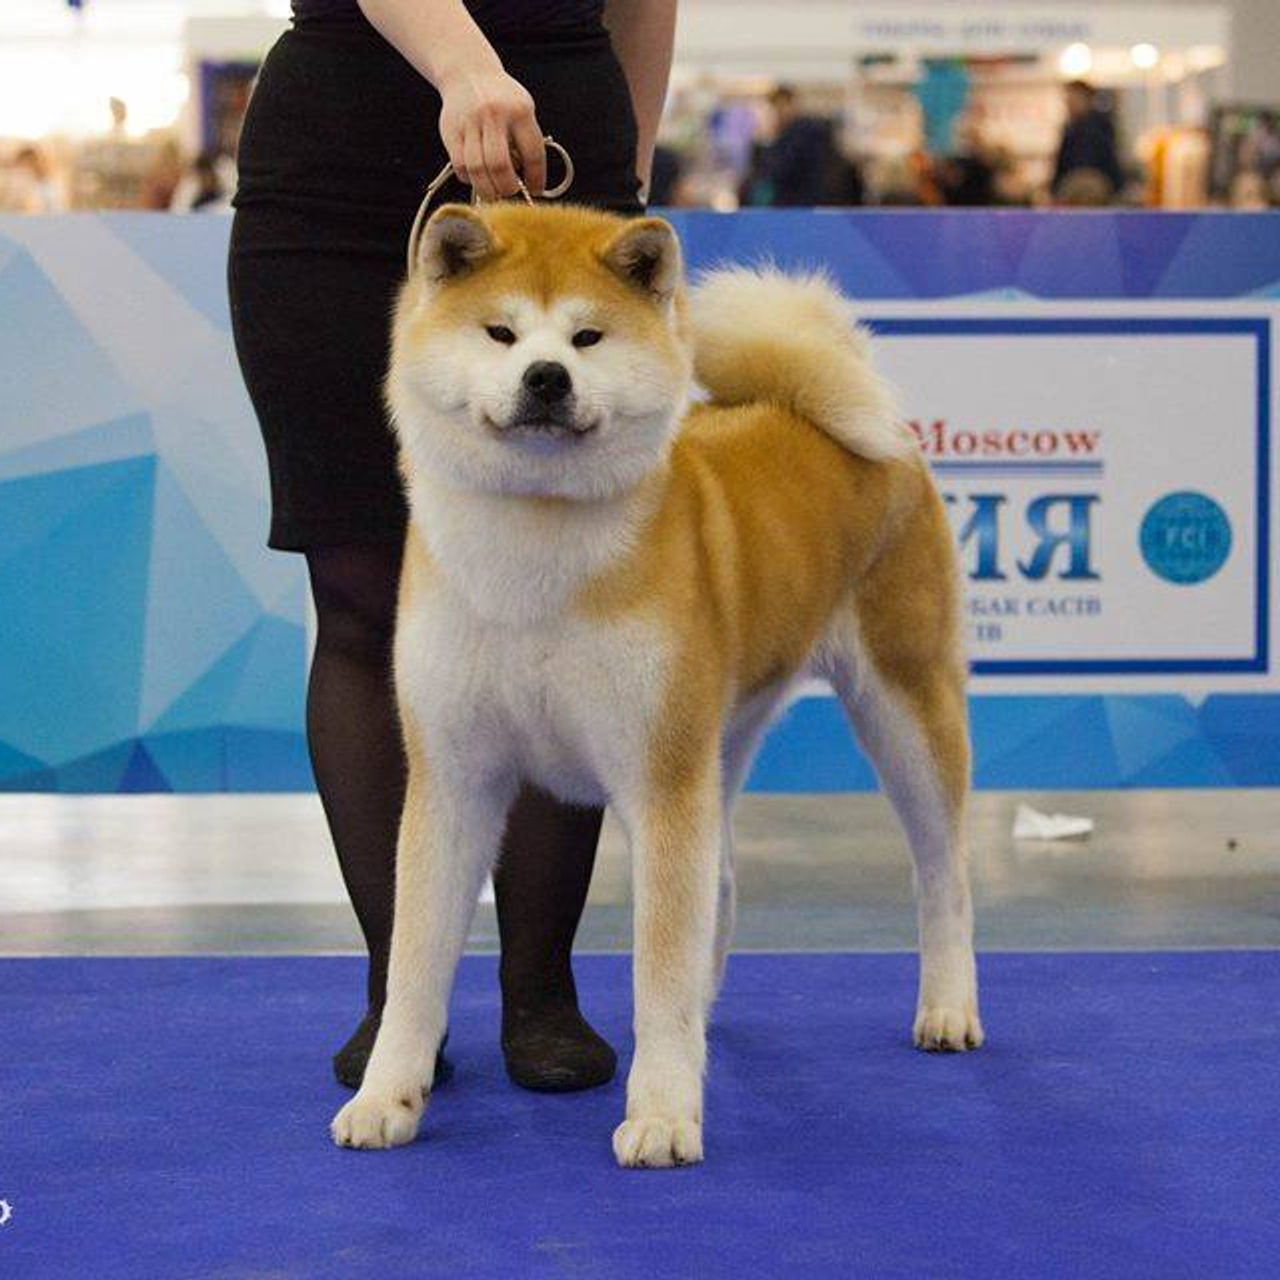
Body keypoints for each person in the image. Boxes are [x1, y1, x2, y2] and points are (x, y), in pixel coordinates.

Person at [228, 0, 676, 1092]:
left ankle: (541, 989)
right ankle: (401, 995)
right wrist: (463, 68)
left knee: (563, 600)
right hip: (336, 155)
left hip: (558, 142)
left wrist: (630, 149)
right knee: (360, 594)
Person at [1052, 80, 1123, 201]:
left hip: (1093, 184)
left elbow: (1109, 156)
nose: (1070, 103)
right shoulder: (1069, 128)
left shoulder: (1099, 125)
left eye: (1074, 98)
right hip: (1072, 184)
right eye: (1068, 99)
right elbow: (1062, 161)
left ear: (1087, 98)